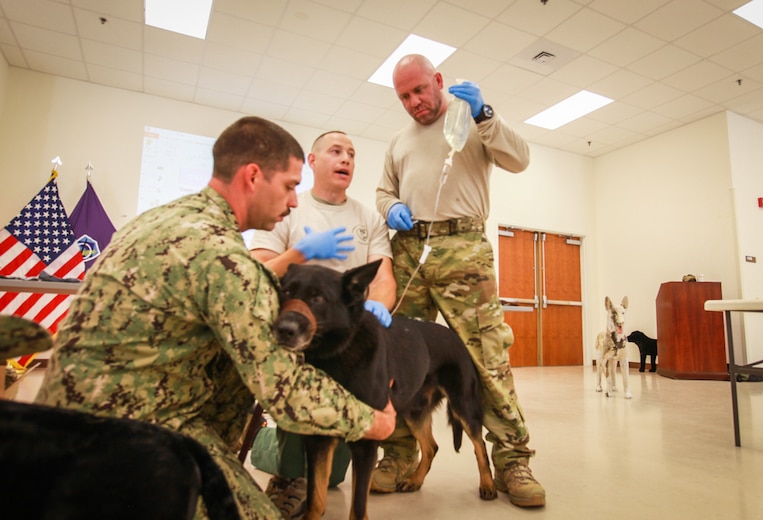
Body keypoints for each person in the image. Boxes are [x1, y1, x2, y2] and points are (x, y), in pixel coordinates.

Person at [35, 116, 396, 520]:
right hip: (128, 440)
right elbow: (286, 391)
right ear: (253, 177)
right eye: (289, 186)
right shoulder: (226, 261)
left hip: (58, 427)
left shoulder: (161, 218)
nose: (294, 201)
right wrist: (372, 422)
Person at [374, 54, 546, 508]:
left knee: (488, 358)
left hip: (463, 245)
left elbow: (520, 159)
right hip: (410, 248)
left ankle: (512, 461)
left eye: (419, 90)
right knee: (397, 359)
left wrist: (485, 114)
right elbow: (383, 191)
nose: (414, 102)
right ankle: (397, 456)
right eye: (404, 96)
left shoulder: (470, 120)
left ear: (438, 80)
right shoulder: (398, 141)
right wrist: (390, 207)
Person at [250, 130, 395, 519]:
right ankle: (288, 477)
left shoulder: (368, 218)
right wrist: (300, 253)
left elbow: (383, 279)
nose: (346, 158)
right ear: (313, 161)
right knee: (299, 419)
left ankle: (313, 470)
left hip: (346, 337)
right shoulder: (288, 208)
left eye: (351, 153)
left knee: (335, 467)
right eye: (335, 151)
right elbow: (256, 272)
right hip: (294, 334)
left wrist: (376, 309)